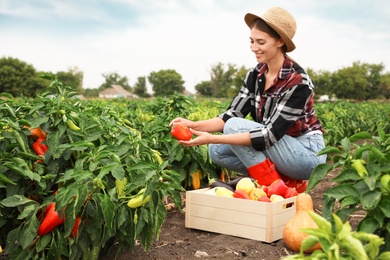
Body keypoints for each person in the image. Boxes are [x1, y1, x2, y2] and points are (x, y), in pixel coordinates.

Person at [169, 6, 326, 187]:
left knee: (233, 128)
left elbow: (268, 135)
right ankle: (284, 182)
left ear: (280, 41)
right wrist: (193, 125)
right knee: (217, 151)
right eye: (251, 41)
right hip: (279, 147)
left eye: (260, 42)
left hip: (307, 155)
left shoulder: (298, 82)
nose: (253, 48)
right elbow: (231, 115)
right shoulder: (256, 75)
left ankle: (273, 187)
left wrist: (212, 136)